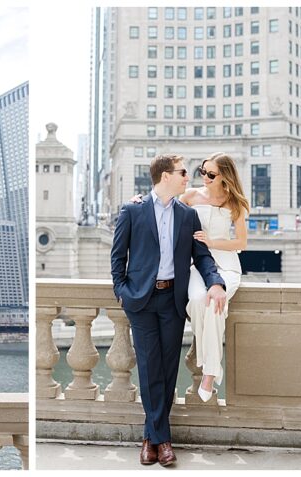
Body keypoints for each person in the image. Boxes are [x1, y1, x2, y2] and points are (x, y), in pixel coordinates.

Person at [111, 153, 227, 466]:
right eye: (183, 172)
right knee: (149, 370)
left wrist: (216, 283)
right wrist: (121, 291)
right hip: (142, 301)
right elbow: (117, 256)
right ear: (166, 176)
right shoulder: (133, 210)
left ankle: (152, 438)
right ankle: (162, 441)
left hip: (172, 301)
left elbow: (202, 257)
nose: (188, 177)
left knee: (168, 369)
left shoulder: (187, 215)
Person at [133, 153, 248, 402]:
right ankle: (210, 360)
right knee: (197, 300)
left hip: (227, 265)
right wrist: (140, 200)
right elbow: (163, 201)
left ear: (224, 176)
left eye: (211, 174)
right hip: (199, 264)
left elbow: (241, 242)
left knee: (216, 302)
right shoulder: (192, 196)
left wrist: (212, 242)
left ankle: (210, 370)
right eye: (202, 171)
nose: (204, 177)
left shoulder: (234, 202)